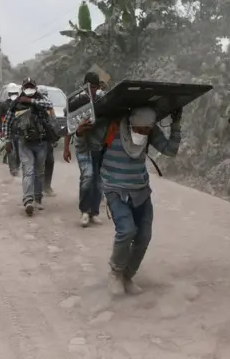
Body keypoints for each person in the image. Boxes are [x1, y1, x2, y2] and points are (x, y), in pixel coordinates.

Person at [76, 104, 183, 295]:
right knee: (126, 231)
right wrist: (79, 134)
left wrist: (176, 125)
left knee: (144, 236)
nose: (142, 133)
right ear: (130, 123)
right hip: (114, 188)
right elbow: (84, 148)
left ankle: (127, 275)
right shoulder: (109, 127)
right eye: (139, 129)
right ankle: (115, 273)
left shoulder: (150, 131)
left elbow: (170, 150)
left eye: (146, 130)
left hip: (141, 189)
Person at [2, 77, 55, 216]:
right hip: (24, 143)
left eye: (31, 86)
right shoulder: (16, 104)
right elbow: (7, 122)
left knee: (39, 172)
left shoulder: (40, 100)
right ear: (23, 88)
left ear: (35, 88)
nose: (29, 89)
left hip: (42, 142)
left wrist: (31, 101)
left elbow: (49, 104)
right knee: (28, 171)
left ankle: (38, 198)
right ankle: (28, 200)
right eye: (27, 86)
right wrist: (7, 140)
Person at [63, 72, 107, 227]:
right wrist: (66, 148)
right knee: (87, 176)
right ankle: (84, 211)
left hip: (98, 146)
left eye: (95, 87)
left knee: (98, 181)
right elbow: (69, 126)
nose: (93, 90)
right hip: (82, 146)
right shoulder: (76, 102)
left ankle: (94, 212)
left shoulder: (103, 100)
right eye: (90, 87)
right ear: (84, 86)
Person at [36, 85, 57, 197]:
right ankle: (37, 189)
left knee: (50, 161)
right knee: (38, 164)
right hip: (35, 139)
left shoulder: (49, 107)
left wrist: (54, 137)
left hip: (47, 139)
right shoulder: (33, 106)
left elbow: (53, 122)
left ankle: (47, 186)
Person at [0, 83, 21, 176]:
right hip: (9, 131)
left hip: (20, 132)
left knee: (20, 151)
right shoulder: (3, 105)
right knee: (11, 151)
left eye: (15, 93)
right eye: (12, 93)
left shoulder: (22, 104)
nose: (13, 94)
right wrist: (0, 130)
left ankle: (17, 167)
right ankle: (13, 169)